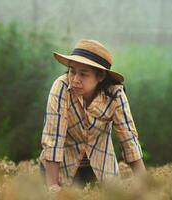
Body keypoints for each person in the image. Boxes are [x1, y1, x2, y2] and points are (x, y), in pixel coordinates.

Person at [39, 39, 146, 192]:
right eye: (72, 71)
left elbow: (128, 139)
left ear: (100, 76)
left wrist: (145, 184)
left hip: (100, 167)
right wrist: (53, 187)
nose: (75, 79)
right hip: (60, 167)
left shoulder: (115, 94)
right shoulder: (61, 88)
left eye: (83, 74)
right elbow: (53, 138)